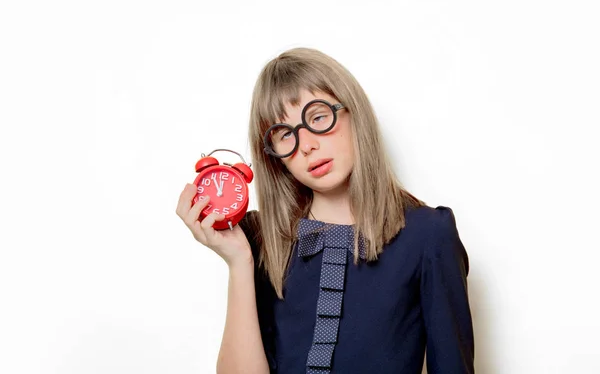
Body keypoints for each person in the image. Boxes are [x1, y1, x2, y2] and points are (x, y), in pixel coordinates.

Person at [176, 47, 474, 374]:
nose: (306, 145)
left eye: (318, 117)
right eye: (284, 135)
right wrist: (239, 262)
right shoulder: (260, 239)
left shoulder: (427, 234)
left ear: (353, 112)